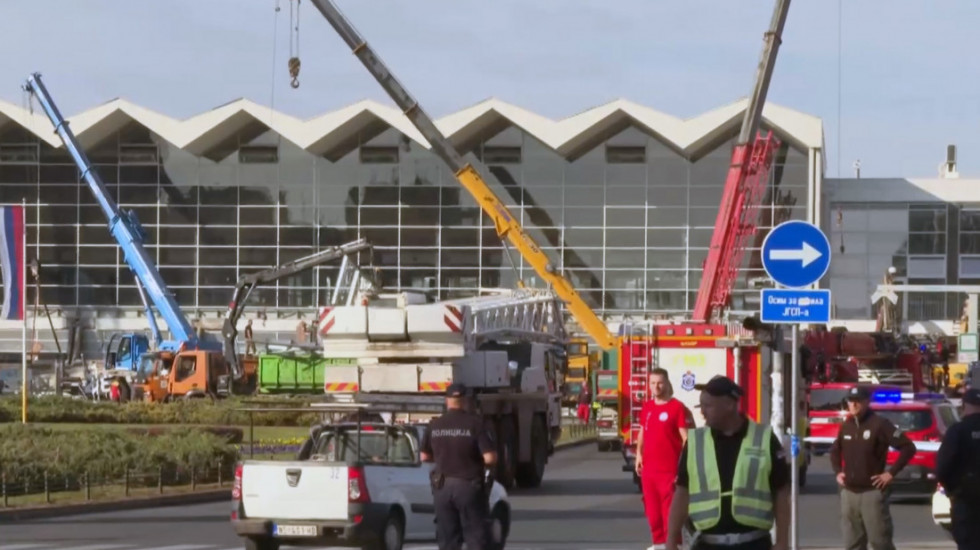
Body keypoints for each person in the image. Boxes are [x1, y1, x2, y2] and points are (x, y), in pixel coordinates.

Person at [666, 375, 790, 550]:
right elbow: (682, 492)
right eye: (701, 405)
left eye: (708, 406)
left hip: (754, 544)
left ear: (730, 405)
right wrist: (671, 539)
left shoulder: (764, 438)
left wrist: (783, 541)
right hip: (707, 545)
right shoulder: (695, 442)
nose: (702, 412)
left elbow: (781, 492)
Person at [829, 385, 915, 550]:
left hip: (872, 493)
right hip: (849, 494)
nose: (853, 405)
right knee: (852, 544)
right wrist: (838, 472)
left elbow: (908, 447)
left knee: (880, 543)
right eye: (850, 401)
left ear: (866, 402)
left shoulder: (880, 424)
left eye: (857, 402)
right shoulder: (846, 425)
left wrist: (890, 473)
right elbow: (835, 450)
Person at [420, 383, 498, 550]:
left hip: (442, 488)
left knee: (448, 541)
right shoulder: (475, 424)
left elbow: (424, 456)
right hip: (468, 486)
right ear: (465, 401)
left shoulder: (435, 425)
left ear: (447, 401)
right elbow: (490, 457)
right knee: (477, 539)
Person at [635, 368, 690, 550]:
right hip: (649, 472)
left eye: (659, 382)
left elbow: (686, 439)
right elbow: (643, 431)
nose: (656, 386)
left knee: (670, 515)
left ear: (666, 383)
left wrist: (683, 466)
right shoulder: (647, 407)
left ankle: (674, 546)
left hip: (669, 471)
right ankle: (658, 545)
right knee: (653, 513)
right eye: (652, 383)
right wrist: (638, 454)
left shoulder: (676, 407)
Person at [936, 388, 980, 549]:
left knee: (967, 543)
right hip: (964, 496)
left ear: (964, 405)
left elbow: (943, 466)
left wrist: (951, 490)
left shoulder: (957, 431)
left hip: (964, 498)